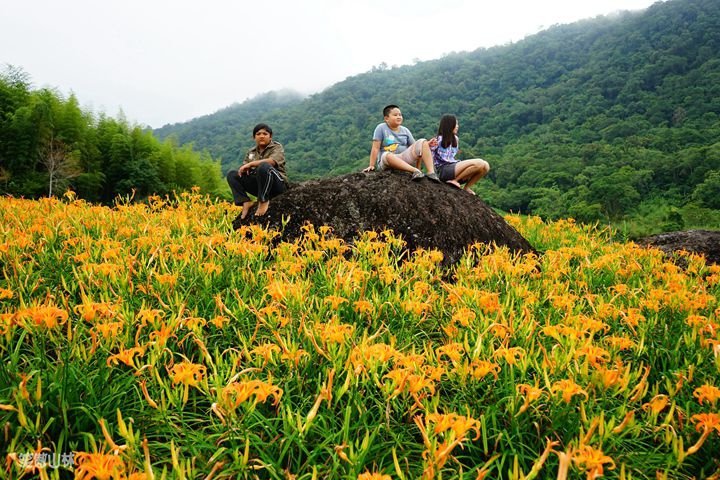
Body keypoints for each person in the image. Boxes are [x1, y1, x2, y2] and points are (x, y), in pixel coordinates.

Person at [363, 104, 440, 182]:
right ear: (386, 118)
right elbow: (375, 148)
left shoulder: (405, 130)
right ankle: (414, 170)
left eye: (400, 115)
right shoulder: (381, 128)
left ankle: (431, 172)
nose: (399, 117)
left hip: (403, 158)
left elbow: (415, 148)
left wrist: (426, 144)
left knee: (422, 141)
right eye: (395, 115)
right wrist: (371, 165)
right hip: (387, 161)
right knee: (387, 155)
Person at [226, 123, 288, 219]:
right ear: (254, 137)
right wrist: (245, 168)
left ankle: (263, 201)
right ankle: (245, 201)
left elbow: (272, 161)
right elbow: (245, 167)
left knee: (264, 166)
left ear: (270, 136)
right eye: (258, 134)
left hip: (277, 184)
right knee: (232, 174)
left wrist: (251, 164)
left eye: (265, 134)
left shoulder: (277, 147)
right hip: (260, 185)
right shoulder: (251, 152)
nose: (261, 136)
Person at [430, 114, 490, 195]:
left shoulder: (455, 139)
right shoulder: (438, 139)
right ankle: (454, 181)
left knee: (486, 166)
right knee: (480, 163)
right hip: (443, 170)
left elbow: (451, 157)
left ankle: (466, 187)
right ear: (449, 125)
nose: (457, 126)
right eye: (456, 124)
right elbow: (429, 155)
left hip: (452, 167)